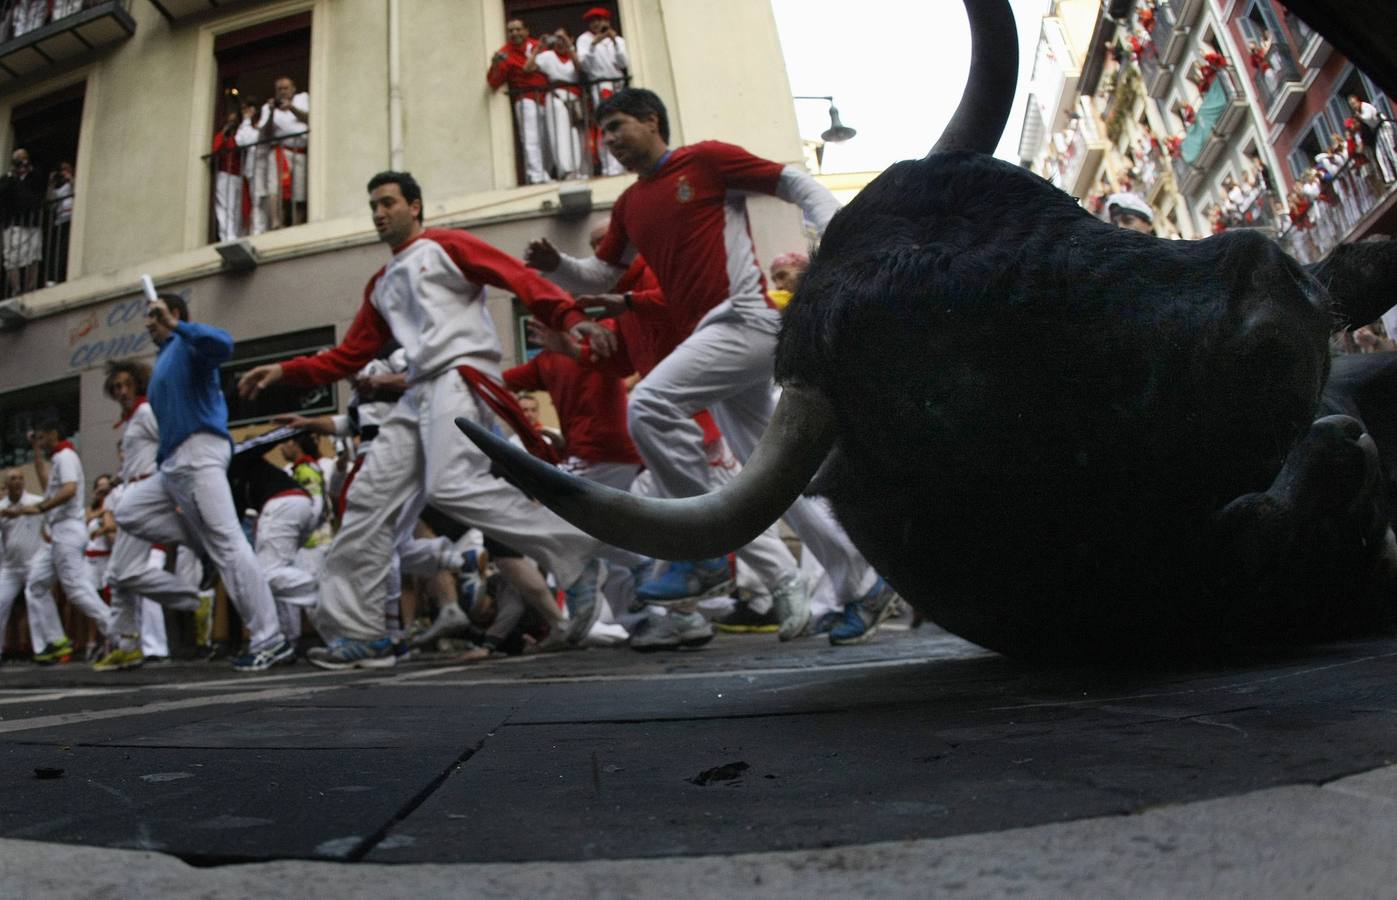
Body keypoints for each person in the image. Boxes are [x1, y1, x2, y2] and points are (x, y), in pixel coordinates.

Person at [526, 90, 899, 646]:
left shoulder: (704, 161)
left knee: (649, 404)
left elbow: (791, 181)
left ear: (653, 121)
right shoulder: (630, 205)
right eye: (603, 133)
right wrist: (559, 267)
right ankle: (862, 586)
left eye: (618, 126)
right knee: (771, 479)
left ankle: (704, 555)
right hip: (715, 336)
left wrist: (838, 228)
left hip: (745, 318)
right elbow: (602, 276)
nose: (610, 141)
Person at [237, 170, 636, 668]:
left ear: (416, 207)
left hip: (461, 376)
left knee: (449, 484)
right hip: (419, 391)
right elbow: (346, 357)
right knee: (366, 500)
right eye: (373, 206)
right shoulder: (380, 285)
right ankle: (362, 633)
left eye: (388, 202)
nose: (379, 213)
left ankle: (576, 557)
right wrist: (285, 369)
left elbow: (520, 277)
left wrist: (568, 317)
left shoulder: (447, 246)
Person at [112, 292, 292, 671]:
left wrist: (178, 326)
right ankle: (205, 548)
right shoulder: (165, 358)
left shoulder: (189, 344)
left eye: (154, 316)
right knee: (127, 510)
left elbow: (223, 344)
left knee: (228, 543)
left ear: (174, 314)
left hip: (199, 453)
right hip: (172, 465)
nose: (147, 323)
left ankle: (270, 639)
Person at [15, 421, 118, 653]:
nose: (40, 442)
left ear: (53, 434)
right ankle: (57, 639)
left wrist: (43, 507)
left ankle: (117, 632)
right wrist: (37, 453)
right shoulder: (59, 459)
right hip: (59, 534)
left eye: (42, 438)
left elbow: (70, 489)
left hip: (68, 531)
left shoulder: (66, 457)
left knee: (76, 588)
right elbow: (47, 483)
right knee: (36, 585)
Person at [0, 468, 65, 662]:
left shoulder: (36, 502)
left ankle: (42, 649)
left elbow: (49, 527)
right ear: (6, 483)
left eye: (20, 478)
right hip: (10, 566)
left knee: (34, 600)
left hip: (34, 562)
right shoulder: (1, 507)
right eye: (13, 479)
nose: (18, 481)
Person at [488, 19, 553, 184]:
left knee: (547, 137)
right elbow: (493, 82)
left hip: (547, 98)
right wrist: (495, 65)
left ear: (526, 30)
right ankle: (537, 175)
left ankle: (549, 172)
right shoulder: (504, 54)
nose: (515, 33)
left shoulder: (538, 45)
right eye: (511, 31)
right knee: (531, 138)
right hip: (526, 100)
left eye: (518, 29)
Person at [576, 8, 629, 176]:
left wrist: (613, 42)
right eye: (593, 20)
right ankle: (608, 166)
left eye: (599, 19)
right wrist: (594, 45)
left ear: (607, 21)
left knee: (620, 125)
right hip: (601, 85)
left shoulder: (618, 40)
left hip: (618, 86)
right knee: (605, 125)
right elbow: (585, 66)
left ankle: (620, 163)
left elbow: (623, 63)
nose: (596, 23)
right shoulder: (584, 40)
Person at [527, 30, 586, 179]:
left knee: (575, 135)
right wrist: (539, 49)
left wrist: (569, 46)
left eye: (563, 38)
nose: (560, 42)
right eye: (557, 39)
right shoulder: (548, 56)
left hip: (574, 98)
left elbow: (580, 70)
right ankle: (565, 170)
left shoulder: (577, 55)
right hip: (556, 97)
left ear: (571, 39)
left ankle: (577, 169)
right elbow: (528, 68)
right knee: (559, 133)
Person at [256, 76, 310, 231]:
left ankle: (298, 224)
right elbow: (265, 133)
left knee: (299, 190)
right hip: (280, 151)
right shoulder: (268, 107)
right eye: (279, 89)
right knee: (276, 188)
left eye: (285, 88)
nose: (282, 92)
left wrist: (291, 107)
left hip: (300, 151)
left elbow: (311, 118)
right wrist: (272, 112)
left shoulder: (303, 98)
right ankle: (276, 222)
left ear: (293, 89)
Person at [0, 149, 45, 295]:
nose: (22, 162)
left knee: (33, 255)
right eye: (19, 159)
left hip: (31, 222)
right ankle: (16, 288)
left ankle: (31, 286)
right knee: (11, 258)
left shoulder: (34, 176)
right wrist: (12, 175)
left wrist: (30, 171)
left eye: (24, 158)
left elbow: (40, 188)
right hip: (12, 224)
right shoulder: (7, 178)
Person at [212, 110, 246, 242]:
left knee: (236, 208)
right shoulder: (221, 136)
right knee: (226, 207)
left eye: (234, 122)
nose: (232, 124)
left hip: (237, 176)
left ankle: (235, 235)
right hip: (224, 175)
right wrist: (223, 134)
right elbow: (215, 149)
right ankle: (227, 236)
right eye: (229, 122)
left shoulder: (238, 137)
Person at [45, 161, 73, 285]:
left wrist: (71, 178)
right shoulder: (59, 188)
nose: (63, 172)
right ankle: (53, 278)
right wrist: (51, 184)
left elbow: (80, 189)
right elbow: (51, 202)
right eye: (61, 170)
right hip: (60, 221)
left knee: (67, 249)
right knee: (58, 250)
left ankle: (66, 276)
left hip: (71, 219)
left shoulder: (74, 182)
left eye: (65, 169)